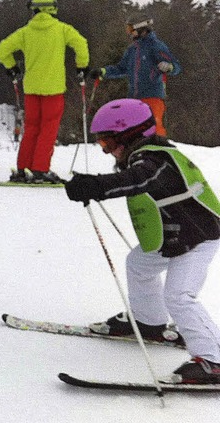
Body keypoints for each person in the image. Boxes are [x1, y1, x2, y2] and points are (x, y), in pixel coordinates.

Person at [65, 98, 220, 384]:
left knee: (179, 296)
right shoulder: (145, 156)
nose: (107, 151)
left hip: (199, 236)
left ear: (130, 136)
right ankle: (149, 321)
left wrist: (97, 186)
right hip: (175, 235)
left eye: (108, 144)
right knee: (138, 264)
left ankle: (213, 359)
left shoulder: (157, 160)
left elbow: (139, 180)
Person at [0, 0, 89, 184]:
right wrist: (81, 66)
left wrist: (12, 67)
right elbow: (81, 44)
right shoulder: (62, 29)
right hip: (53, 89)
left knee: (31, 128)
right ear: (52, 9)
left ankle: (23, 168)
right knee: (48, 129)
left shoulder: (25, 32)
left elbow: (2, 50)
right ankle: (40, 169)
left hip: (31, 89)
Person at [89, 14, 180, 137]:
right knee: (133, 130)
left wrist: (169, 67)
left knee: (153, 129)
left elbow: (176, 66)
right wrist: (103, 72)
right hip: (133, 99)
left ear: (141, 29)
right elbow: (121, 68)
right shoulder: (133, 49)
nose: (129, 33)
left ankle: (158, 152)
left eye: (131, 29)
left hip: (152, 97)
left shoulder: (156, 46)